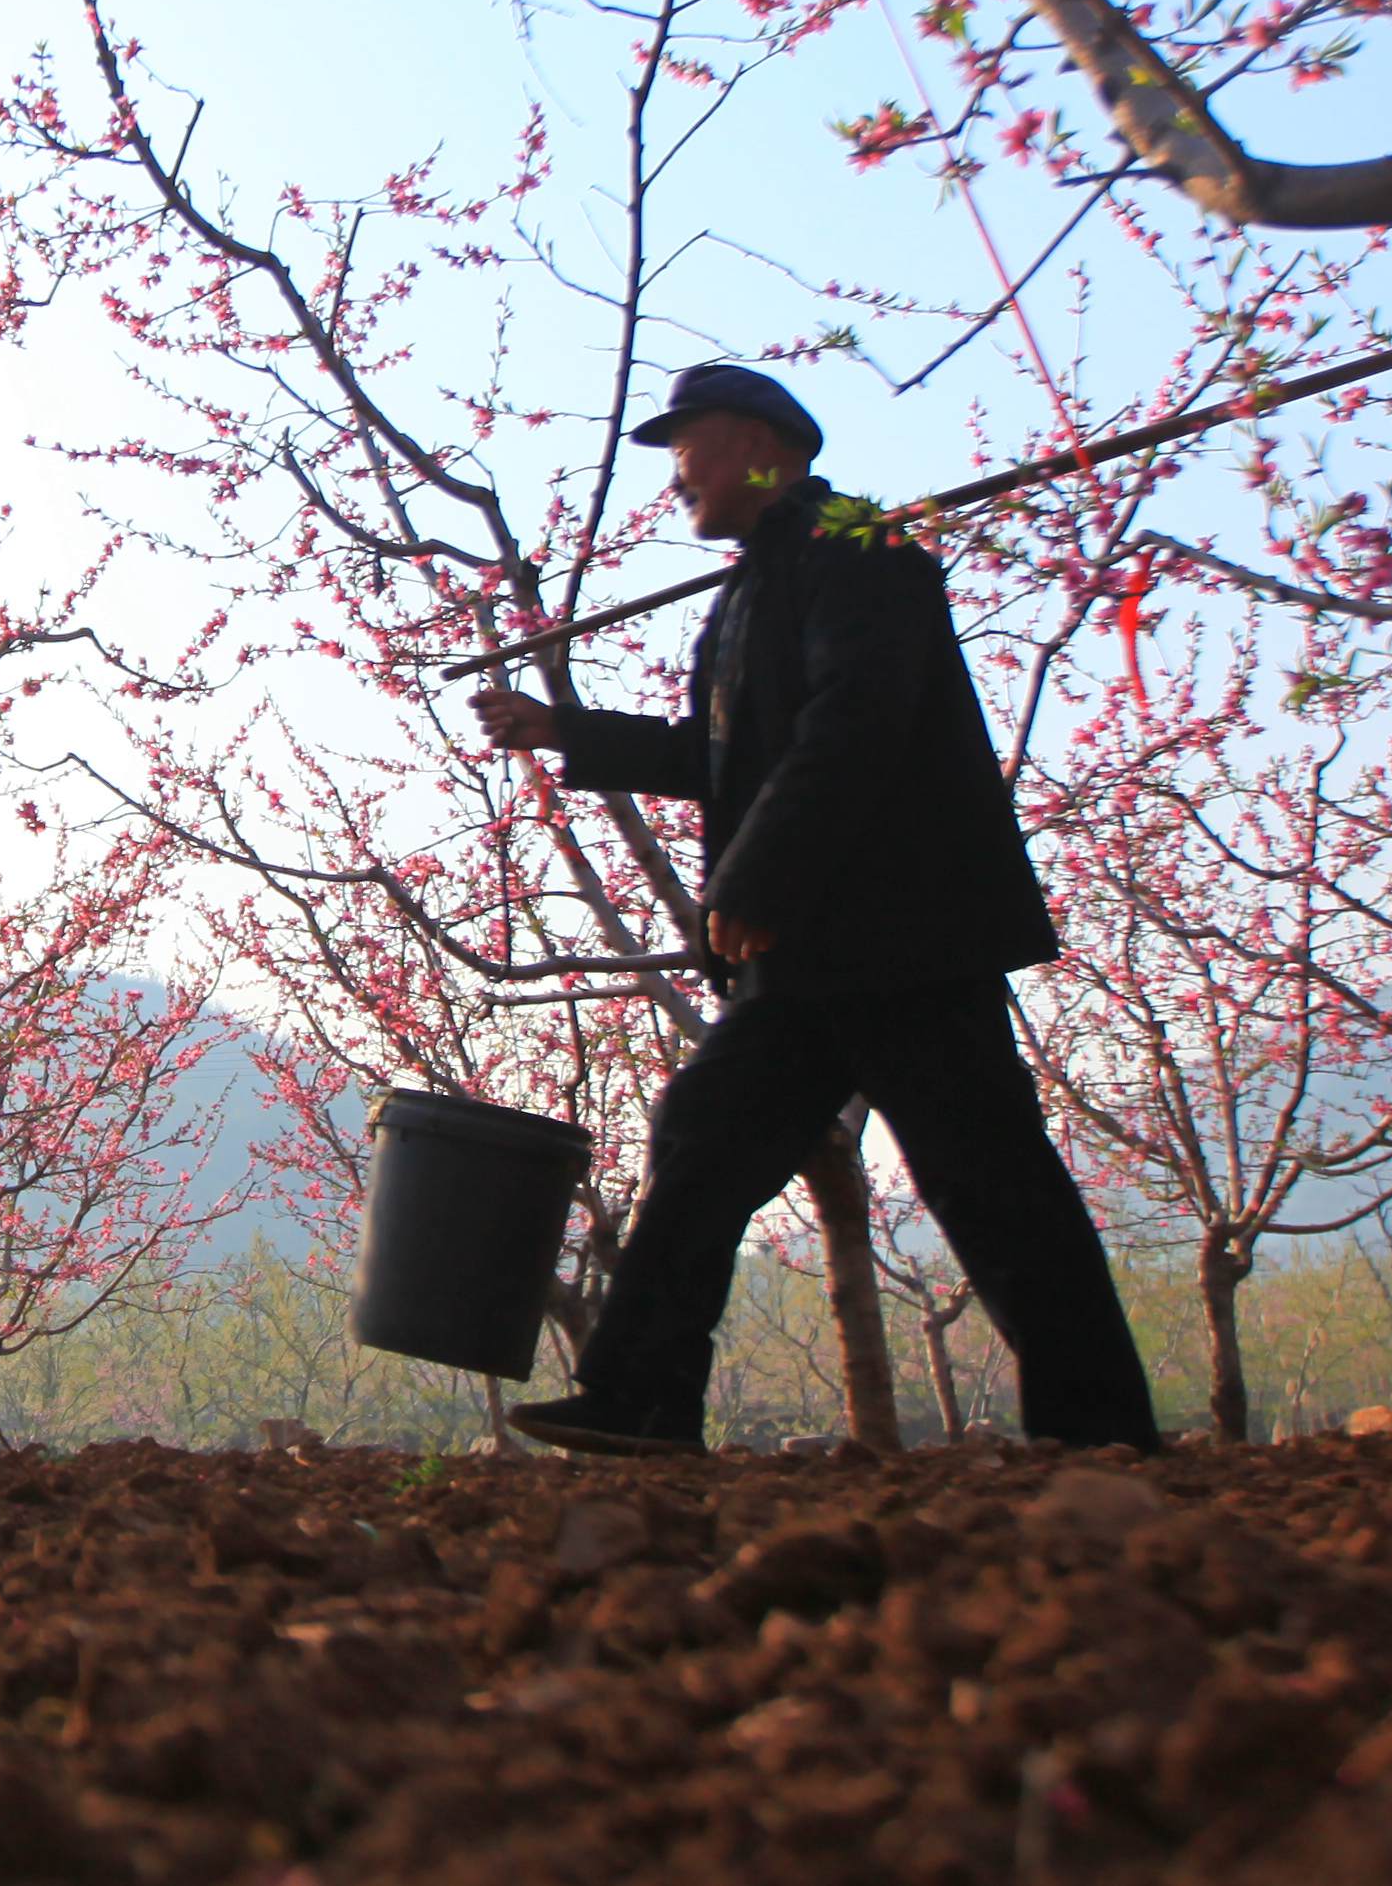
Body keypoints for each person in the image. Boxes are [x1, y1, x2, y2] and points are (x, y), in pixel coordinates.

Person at [469, 360, 1159, 1455]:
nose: (674, 477)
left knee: (986, 1175)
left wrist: (753, 876)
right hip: (813, 949)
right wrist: (564, 730)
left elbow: (856, 718)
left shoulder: (854, 546)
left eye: (683, 447)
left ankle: (1098, 1426)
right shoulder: (755, 586)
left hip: (899, 930)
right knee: (704, 1137)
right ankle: (638, 1395)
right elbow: (720, 755)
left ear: (756, 440)